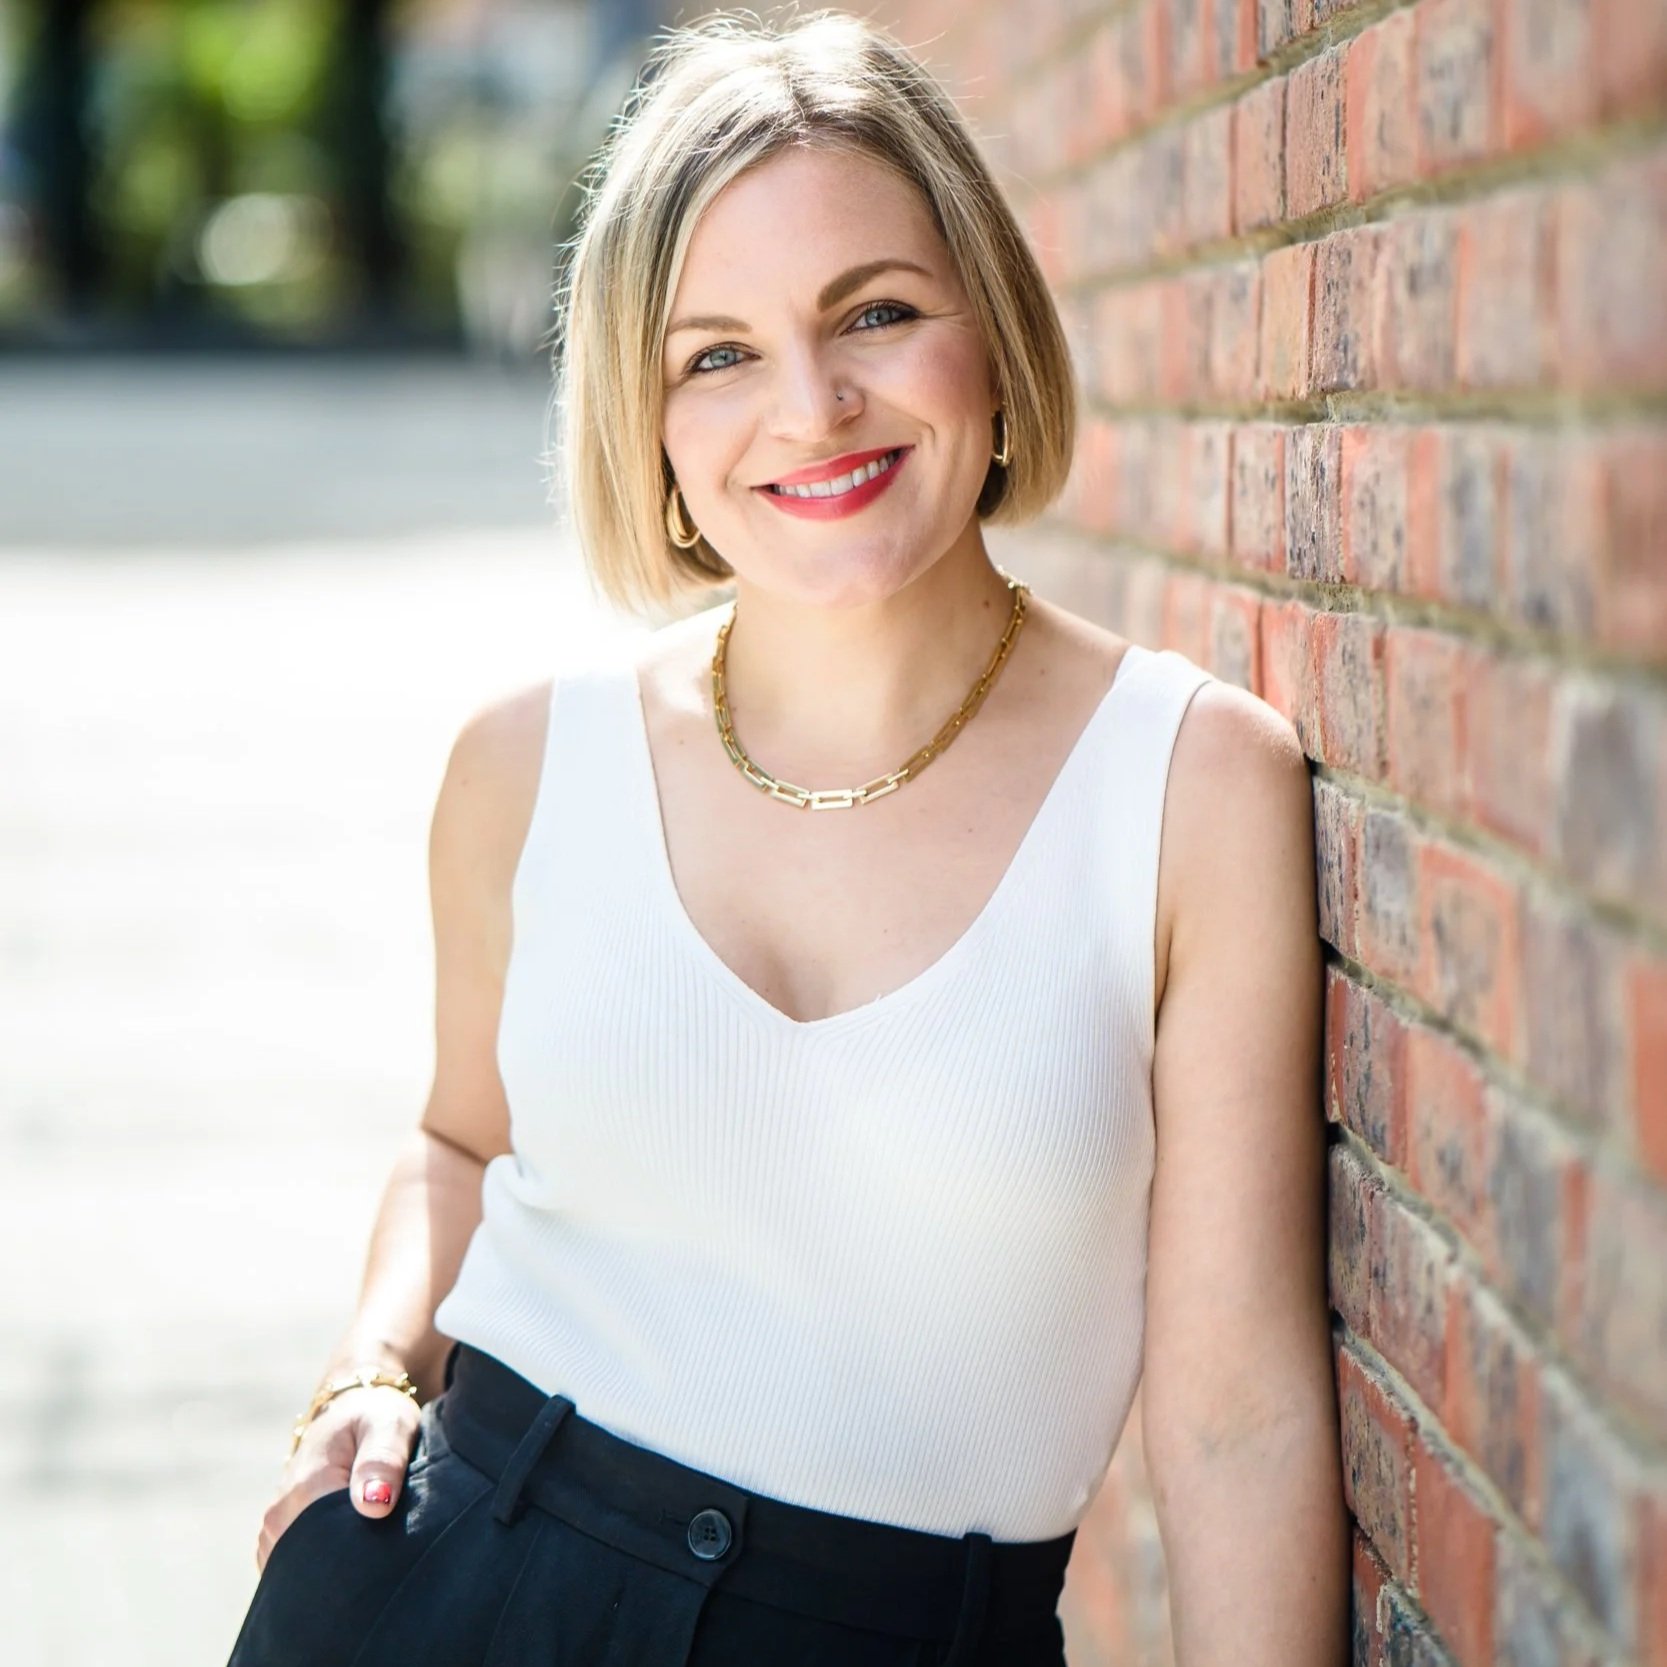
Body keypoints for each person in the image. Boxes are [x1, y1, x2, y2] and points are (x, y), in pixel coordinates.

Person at [226, 9, 1349, 1666]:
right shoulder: (528, 766)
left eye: (876, 313)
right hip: (447, 1593)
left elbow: (1240, 1419)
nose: (813, 407)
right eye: (718, 355)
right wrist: (369, 1368)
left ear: (992, 332)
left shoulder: (1191, 788)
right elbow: (458, 1142)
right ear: (652, 427)